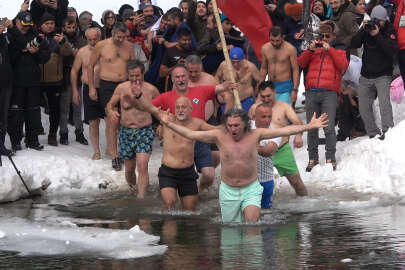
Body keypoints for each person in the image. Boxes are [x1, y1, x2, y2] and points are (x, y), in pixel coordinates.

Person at [159, 108, 329, 223]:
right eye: (230, 125)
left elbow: (284, 131)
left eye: (236, 125)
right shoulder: (219, 135)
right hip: (228, 189)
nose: (233, 129)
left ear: (245, 124)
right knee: (231, 232)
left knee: (251, 226)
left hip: (251, 188)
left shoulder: (256, 134)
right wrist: (169, 123)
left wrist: (309, 126)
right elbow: (190, 133)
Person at [152, 65, 235, 192]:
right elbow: (150, 108)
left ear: (188, 77)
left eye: (183, 76)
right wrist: (160, 123)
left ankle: (199, 191)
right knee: (177, 174)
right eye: (177, 77)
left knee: (209, 175)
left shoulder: (200, 90)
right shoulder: (165, 96)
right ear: (172, 79)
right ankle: (174, 189)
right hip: (176, 140)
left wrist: (229, 85)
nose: (180, 79)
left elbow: (221, 88)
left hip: (200, 139)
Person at [298, 20, 349, 171]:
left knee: (328, 128)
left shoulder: (339, 50)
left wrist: (330, 50)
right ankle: (312, 158)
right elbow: (300, 63)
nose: (324, 38)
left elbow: (343, 66)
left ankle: (330, 157)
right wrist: (310, 50)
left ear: (333, 36)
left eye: (327, 36)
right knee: (312, 127)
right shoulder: (314, 49)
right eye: (322, 35)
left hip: (329, 93)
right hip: (312, 92)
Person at [106, 60, 159, 198]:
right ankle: (133, 189)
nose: (135, 79)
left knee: (142, 166)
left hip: (144, 131)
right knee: (129, 169)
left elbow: (162, 109)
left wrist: (161, 126)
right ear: (127, 75)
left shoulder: (151, 89)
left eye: (137, 75)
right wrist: (111, 112)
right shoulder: (121, 88)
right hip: (126, 131)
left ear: (143, 74)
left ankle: (141, 198)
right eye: (132, 76)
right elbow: (110, 105)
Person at [87, 23, 135, 170]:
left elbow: (134, 67)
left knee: (125, 119)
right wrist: (91, 87)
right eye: (118, 37)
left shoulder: (129, 46)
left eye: (123, 37)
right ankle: (114, 156)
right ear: (112, 34)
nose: (121, 40)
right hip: (107, 85)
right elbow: (90, 66)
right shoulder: (101, 45)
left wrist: (136, 86)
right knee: (112, 119)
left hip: (125, 83)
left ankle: (125, 150)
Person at [157, 97, 217, 210]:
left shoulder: (197, 123)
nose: (180, 110)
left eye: (183, 107)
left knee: (190, 209)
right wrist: (139, 96)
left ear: (191, 109)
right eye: (177, 107)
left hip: (187, 172)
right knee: (170, 204)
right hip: (168, 172)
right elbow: (148, 107)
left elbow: (215, 130)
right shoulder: (168, 119)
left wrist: (233, 128)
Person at [249, 81, 308, 196]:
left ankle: (305, 204)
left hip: (281, 149)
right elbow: (246, 127)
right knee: (255, 183)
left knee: (296, 181)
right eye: (263, 96)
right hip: (259, 151)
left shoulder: (284, 107)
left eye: (268, 96)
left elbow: (298, 123)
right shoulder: (254, 108)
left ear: (275, 92)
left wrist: (298, 136)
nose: (266, 99)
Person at [351, 5, 397, 140]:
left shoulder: (390, 30)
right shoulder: (367, 29)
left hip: (383, 75)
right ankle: (373, 133)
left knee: (384, 104)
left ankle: (388, 132)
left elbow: (392, 52)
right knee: (363, 107)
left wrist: (377, 35)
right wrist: (362, 30)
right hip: (366, 75)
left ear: (385, 19)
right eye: (375, 20)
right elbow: (354, 44)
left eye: (380, 21)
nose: (377, 23)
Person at [7, 11, 51, 152]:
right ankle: (16, 141)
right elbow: (7, 57)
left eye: (28, 25)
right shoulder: (9, 35)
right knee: (16, 113)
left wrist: (36, 52)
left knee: (33, 112)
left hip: (33, 81)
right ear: (17, 22)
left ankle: (33, 140)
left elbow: (46, 56)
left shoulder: (36, 36)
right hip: (16, 81)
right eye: (24, 25)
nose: (26, 27)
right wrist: (21, 51)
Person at [38, 12, 73, 147]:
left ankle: (52, 135)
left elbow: (67, 53)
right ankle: (33, 134)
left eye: (52, 23)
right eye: (47, 23)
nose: (50, 26)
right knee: (33, 109)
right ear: (41, 25)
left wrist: (63, 42)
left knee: (55, 110)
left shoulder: (60, 37)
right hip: (37, 80)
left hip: (55, 80)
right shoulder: (36, 36)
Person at [71, 28, 104, 160]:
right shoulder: (83, 52)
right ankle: (96, 151)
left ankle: (113, 149)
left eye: (95, 39)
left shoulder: (107, 49)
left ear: (100, 37)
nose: (92, 42)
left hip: (105, 87)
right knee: (93, 121)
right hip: (88, 88)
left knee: (111, 120)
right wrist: (74, 90)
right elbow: (74, 71)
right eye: (89, 39)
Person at [60, 16, 87, 146]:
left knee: (77, 107)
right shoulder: (59, 39)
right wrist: (70, 50)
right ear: (63, 27)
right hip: (64, 76)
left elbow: (83, 54)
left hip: (78, 77)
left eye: (73, 27)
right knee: (64, 108)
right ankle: (63, 133)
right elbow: (64, 55)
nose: (71, 29)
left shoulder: (81, 39)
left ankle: (79, 133)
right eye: (68, 27)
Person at [251, 104, 281, 209]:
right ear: (254, 117)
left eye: (269, 117)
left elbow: (267, 152)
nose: (267, 120)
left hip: (265, 180)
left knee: (266, 214)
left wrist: (250, 143)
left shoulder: (275, 132)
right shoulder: (245, 127)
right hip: (247, 180)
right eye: (263, 117)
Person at [260, 26, 300, 105]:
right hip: (270, 86)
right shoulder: (265, 48)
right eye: (272, 40)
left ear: (283, 37)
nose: (275, 43)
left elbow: (295, 70)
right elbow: (264, 68)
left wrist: (295, 90)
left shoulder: (290, 49)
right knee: (270, 113)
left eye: (277, 40)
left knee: (282, 113)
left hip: (285, 86)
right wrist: (260, 85)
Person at [216, 47, 261, 113]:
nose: (235, 64)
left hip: (246, 100)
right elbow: (217, 77)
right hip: (229, 100)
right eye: (233, 62)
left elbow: (260, 81)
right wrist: (220, 92)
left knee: (246, 122)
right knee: (227, 121)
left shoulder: (250, 66)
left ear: (243, 59)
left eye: (238, 62)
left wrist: (257, 94)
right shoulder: (224, 65)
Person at [0, 18, 13, 156]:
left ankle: (1, 145)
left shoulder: (5, 38)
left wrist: (12, 27)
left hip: (5, 82)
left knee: (3, 117)